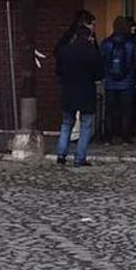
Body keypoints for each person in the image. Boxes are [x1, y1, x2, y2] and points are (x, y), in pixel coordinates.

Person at [55, 11, 103, 166]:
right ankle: (79, 158)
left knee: (66, 124)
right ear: (89, 36)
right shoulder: (91, 52)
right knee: (86, 125)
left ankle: (61, 155)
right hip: (86, 93)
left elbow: (59, 70)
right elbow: (99, 73)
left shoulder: (66, 51)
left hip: (68, 92)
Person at [99, 16, 136, 145]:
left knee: (109, 111)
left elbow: (101, 62)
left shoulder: (106, 43)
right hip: (127, 83)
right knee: (126, 111)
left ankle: (108, 138)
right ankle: (125, 138)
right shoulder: (131, 44)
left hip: (110, 83)